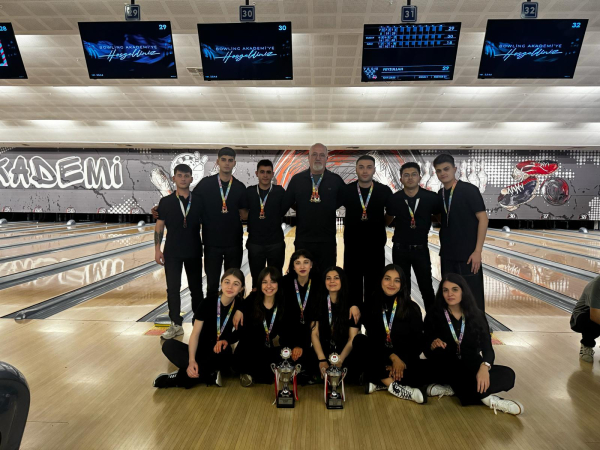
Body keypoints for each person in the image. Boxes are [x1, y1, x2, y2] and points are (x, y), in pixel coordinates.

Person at [151, 147, 249, 299]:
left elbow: (244, 214)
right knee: (212, 286)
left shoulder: (240, 187)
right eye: (223, 159)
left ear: (234, 163)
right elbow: (186, 199)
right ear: (217, 161)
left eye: (230, 160)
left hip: (234, 245)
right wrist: (161, 208)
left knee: (234, 285)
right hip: (211, 245)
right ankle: (211, 319)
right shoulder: (206, 184)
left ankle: (231, 319)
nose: (227, 163)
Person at [424, 273, 523, 415]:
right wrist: (432, 345)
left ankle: (457, 390)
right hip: (446, 366)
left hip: (472, 367)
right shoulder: (434, 315)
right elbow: (426, 349)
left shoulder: (477, 315)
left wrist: (484, 367)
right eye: (445, 290)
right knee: (422, 369)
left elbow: (488, 350)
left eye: (455, 289)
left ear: (463, 291)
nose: (450, 294)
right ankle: (490, 400)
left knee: (508, 374)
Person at [153, 268, 245, 388]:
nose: (230, 287)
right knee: (168, 345)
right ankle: (208, 375)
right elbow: (195, 334)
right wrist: (191, 361)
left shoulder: (241, 305)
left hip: (220, 351)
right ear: (221, 283)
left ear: (241, 289)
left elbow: (240, 333)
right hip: (200, 351)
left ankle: (180, 377)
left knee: (226, 356)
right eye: (227, 282)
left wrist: (227, 340)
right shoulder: (207, 303)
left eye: (236, 284)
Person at [362, 264, 430, 404]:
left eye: (397, 280)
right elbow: (374, 340)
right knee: (359, 341)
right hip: (381, 356)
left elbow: (418, 343)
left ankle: (381, 381)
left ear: (402, 284)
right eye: (387, 279)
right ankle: (395, 387)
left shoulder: (412, 308)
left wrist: (401, 361)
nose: (391, 284)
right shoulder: (371, 306)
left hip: (404, 361)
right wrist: (393, 358)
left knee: (426, 370)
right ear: (381, 280)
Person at [433, 154, 489, 312]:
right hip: (448, 256)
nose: (443, 173)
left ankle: (479, 331)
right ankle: (454, 330)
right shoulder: (440, 194)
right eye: (439, 171)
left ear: (455, 169)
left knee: (473, 296)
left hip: (468, 255)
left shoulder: (469, 190)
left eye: (446, 169)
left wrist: (477, 251)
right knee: (450, 297)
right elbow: (443, 216)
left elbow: (483, 219)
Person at [154, 163, 204, 340]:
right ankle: (176, 324)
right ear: (174, 178)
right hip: (172, 252)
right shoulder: (165, 202)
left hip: (194, 250)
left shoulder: (198, 200)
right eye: (180, 175)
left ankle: (199, 324)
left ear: (191, 178)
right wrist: (157, 250)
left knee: (197, 290)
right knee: (173, 289)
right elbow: (159, 226)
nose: (183, 179)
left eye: (186, 176)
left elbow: (206, 224)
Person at [281, 143, 345, 275]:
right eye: (314, 154)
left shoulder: (336, 180)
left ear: (327, 158)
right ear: (308, 157)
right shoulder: (297, 180)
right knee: (302, 279)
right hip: (303, 240)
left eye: (322, 155)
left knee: (326, 279)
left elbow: (344, 202)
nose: (318, 158)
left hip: (327, 242)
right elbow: (285, 204)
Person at [386, 162, 441, 311]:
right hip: (400, 250)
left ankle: (431, 325)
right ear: (401, 178)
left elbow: (440, 218)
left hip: (421, 250)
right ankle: (404, 323)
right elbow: (387, 220)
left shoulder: (431, 197)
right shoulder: (394, 198)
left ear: (419, 177)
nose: (410, 178)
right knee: (402, 289)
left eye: (413, 174)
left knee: (426, 289)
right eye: (406, 175)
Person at [235, 267, 300, 387]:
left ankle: (255, 373)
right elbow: (242, 331)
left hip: (267, 347)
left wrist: (294, 347)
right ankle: (247, 372)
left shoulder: (283, 304)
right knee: (253, 360)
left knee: (287, 354)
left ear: (279, 284)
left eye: (273, 282)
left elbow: (287, 331)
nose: (268, 286)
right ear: (259, 284)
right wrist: (239, 310)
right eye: (264, 282)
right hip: (250, 348)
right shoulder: (252, 300)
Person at [342, 155, 393, 304]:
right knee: (352, 288)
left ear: (374, 170)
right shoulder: (347, 190)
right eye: (361, 167)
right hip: (352, 248)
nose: (365, 171)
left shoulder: (384, 190)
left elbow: (390, 213)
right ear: (356, 169)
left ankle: (372, 325)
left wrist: (380, 225)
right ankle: (354, 325)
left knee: (374, 289)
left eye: (369, 167)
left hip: (375, 249)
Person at [311, 267, 368, 383]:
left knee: (360, 346)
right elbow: (314, 333)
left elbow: (352, 338)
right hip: (325, 349)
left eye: (336, 278)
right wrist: (322, 360)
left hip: (345, 352)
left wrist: (340, 360)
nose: (332, 281)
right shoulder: (318, 302)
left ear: (342, 281)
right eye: (328, 278)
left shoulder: (352, 307)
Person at [246, 159, 286, 290]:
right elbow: (243, 212)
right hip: (255, 243)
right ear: (256, 173)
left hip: (276, 243)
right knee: (257, 280)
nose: (265, 175)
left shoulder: (279, 191)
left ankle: (276, 307)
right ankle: (256, 308)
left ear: (272, 174)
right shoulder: (250, 192)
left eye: (268, 172)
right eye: (262, 172)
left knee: (276, 279)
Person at [570, 275, 600, 363]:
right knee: (589, 319)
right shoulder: (597, 284)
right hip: (582, 317)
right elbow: (595, 316)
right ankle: (587, 344)